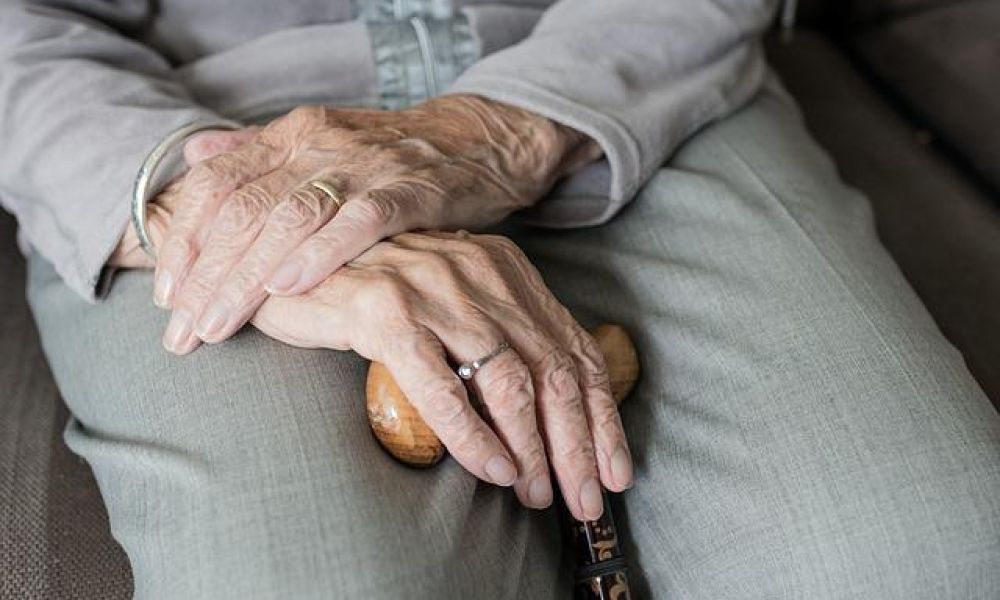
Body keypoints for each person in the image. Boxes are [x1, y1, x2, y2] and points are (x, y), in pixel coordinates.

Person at [2, 0, 998, 598]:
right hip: (180, 124)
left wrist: (496, 130)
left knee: (925, 556)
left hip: (628, 71)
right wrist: (225, 211)